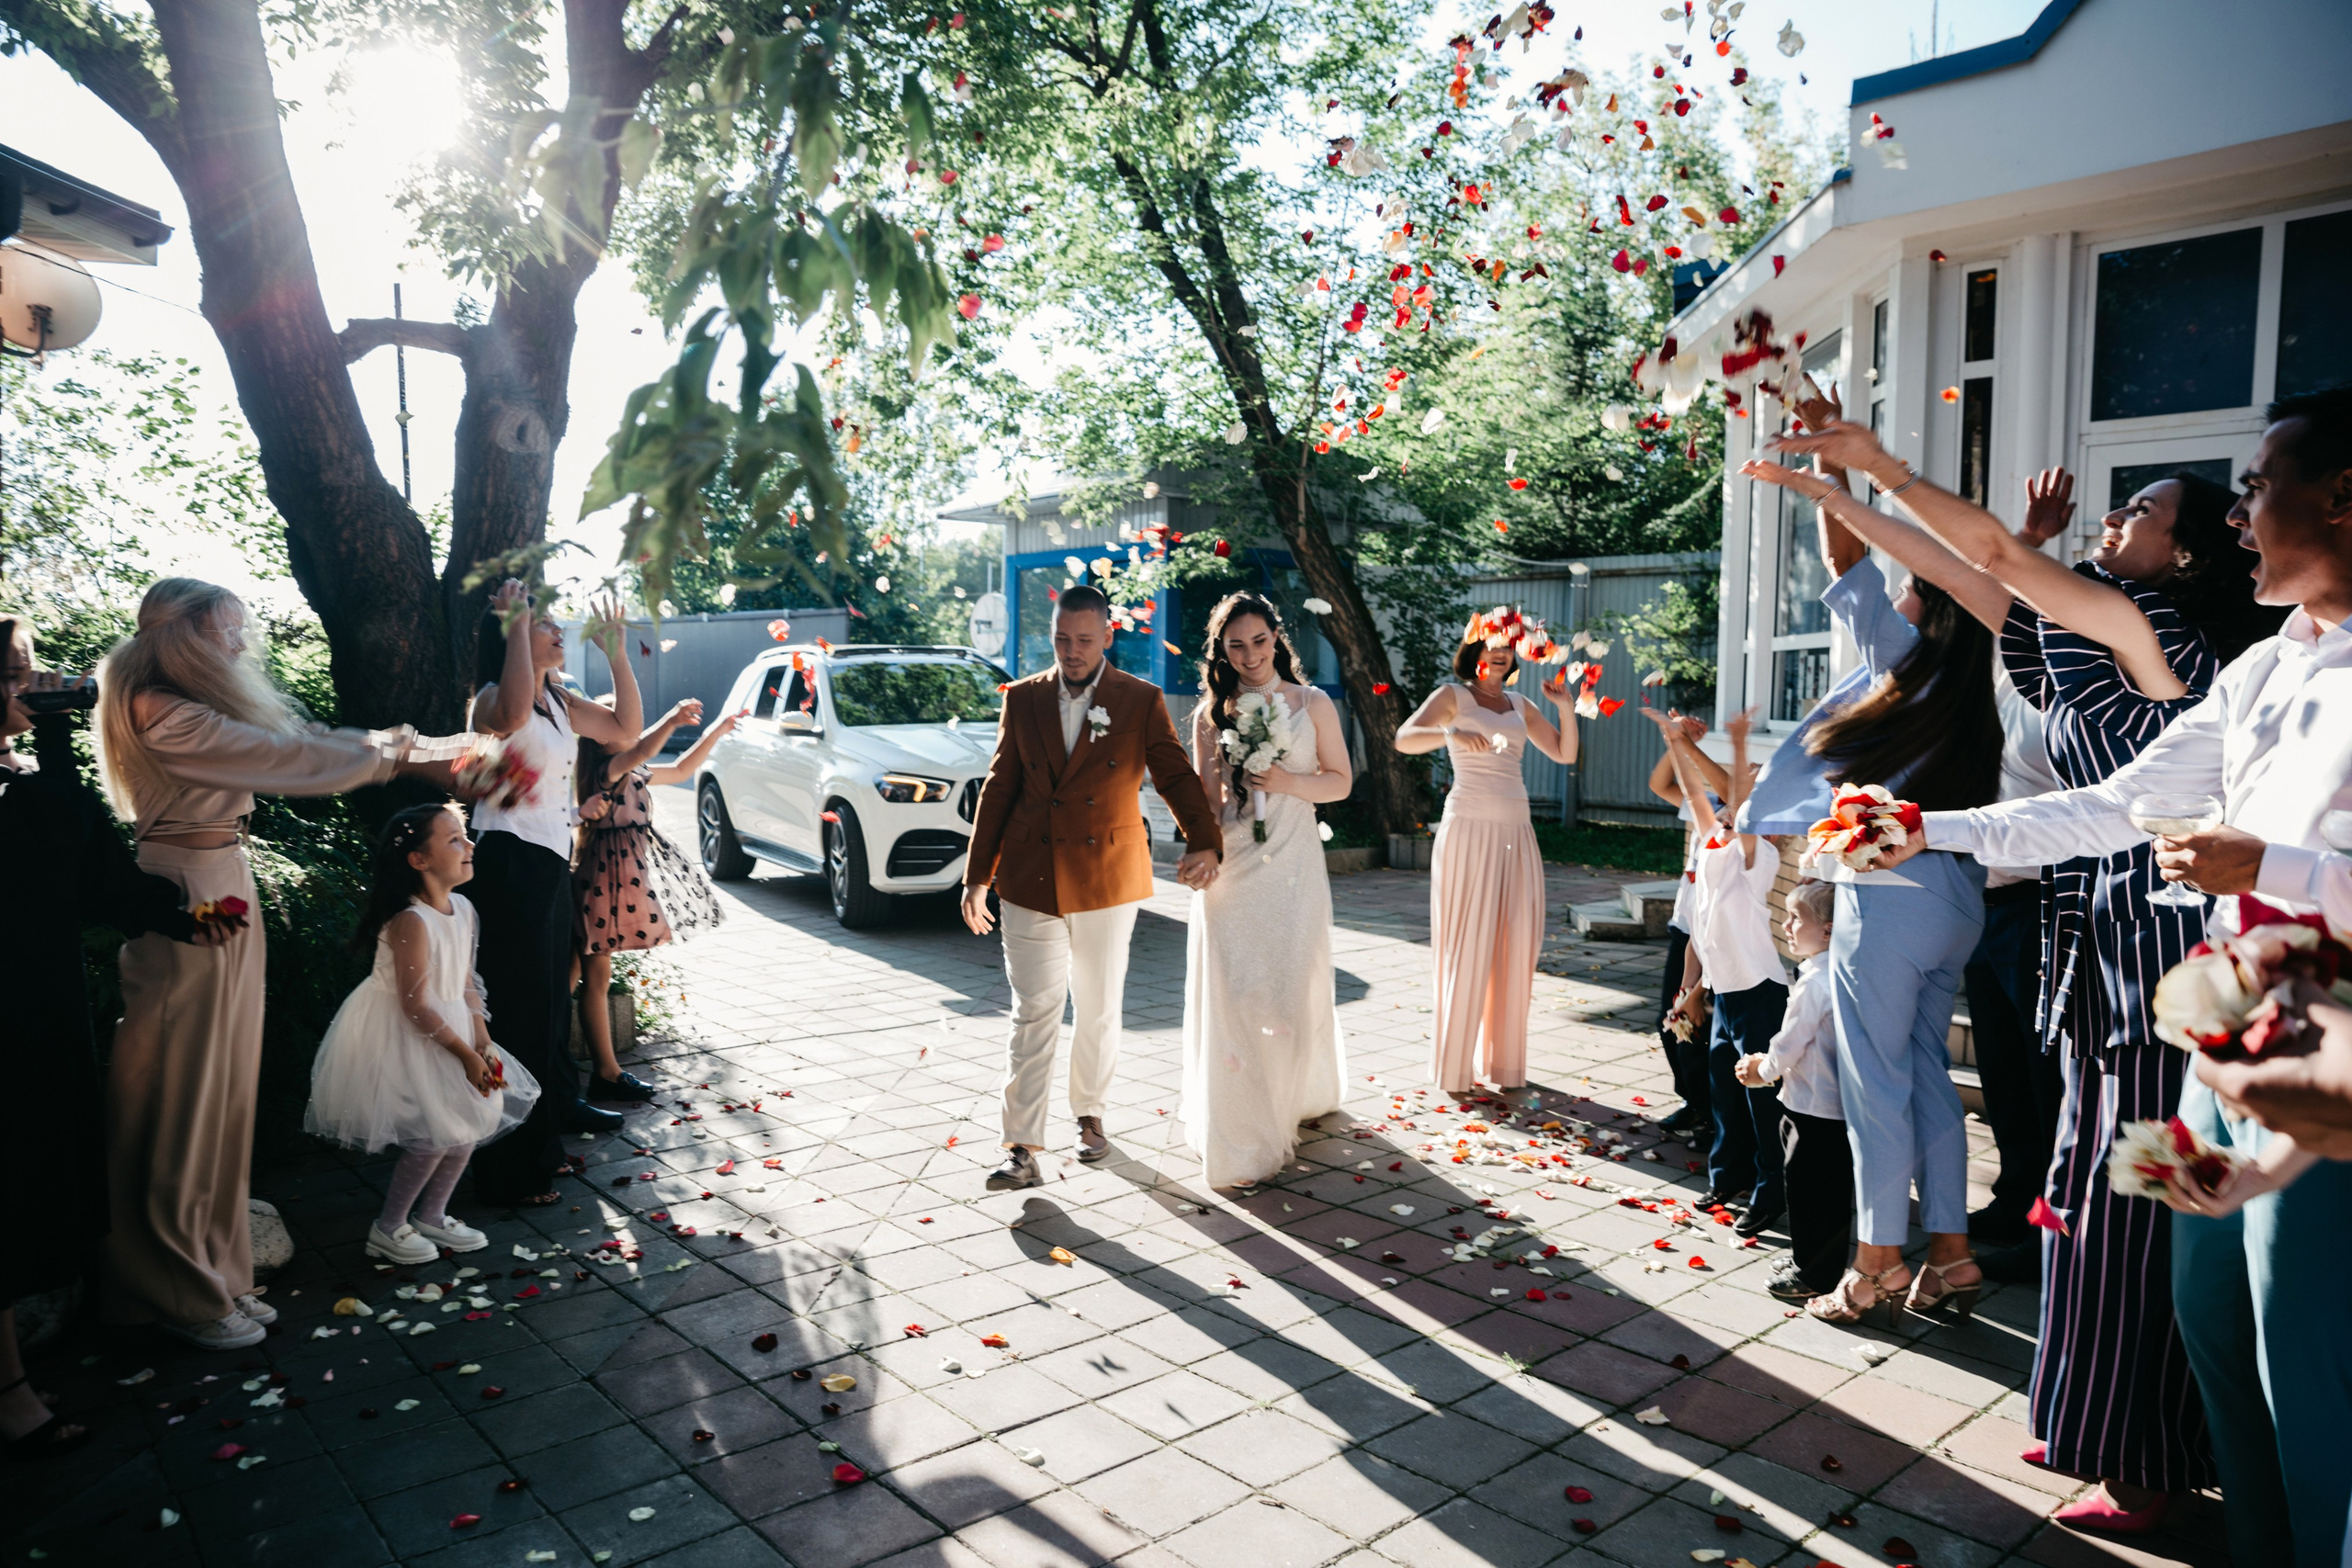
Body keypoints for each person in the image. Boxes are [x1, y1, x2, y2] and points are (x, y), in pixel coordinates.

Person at [1758, 408, 2282, 1523]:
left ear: (2180, 558)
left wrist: (1876, 467)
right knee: (2094, 1205)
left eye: (2141, 510)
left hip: (2166, 974)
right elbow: (1969, 574)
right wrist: (1839, 504)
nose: (2116, 514)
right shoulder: (2088, 638)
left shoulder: (2166, 644)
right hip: (2097, 957)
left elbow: (1993, 559)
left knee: (2138, 1218)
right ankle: (2134, 1454)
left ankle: (2164, 1464)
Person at [1874, 383, 2352, 1553]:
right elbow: (2110, 808)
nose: (2241, 517)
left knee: (2305, 1342)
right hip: (2214, 1028)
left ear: (2343, 498)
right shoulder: (2258, 671)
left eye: (2256, 488)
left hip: (2324, 1042)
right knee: (2206, 1317)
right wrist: (1925, 828)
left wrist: (2272, 860)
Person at [95, 578, 452, 1350]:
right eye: (227, 631)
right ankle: (178, 1288)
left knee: (222, 1094)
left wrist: (404, 748)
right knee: (188, 1095)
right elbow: (288, 756)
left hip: (219, 879)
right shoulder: (166, 712)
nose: (238, 646)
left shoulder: (186, 708)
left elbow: (298, 742)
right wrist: (406, 750)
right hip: (189, 895)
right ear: (185, 635)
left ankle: (216, 1274)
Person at [0, 622, 230, 1456]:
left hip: (38, 1005)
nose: (37, 681)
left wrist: (183, 919)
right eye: (19, 673)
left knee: (30, 1172)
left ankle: (15, 1375)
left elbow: (87, 868)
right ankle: (11, 1391)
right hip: (8, 1008)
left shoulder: (25, 775)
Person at [962, 584, 1226, 1190]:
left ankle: (1090, 1117)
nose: (1072, 651)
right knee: (1034, 1010)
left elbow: (1174, 774)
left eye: (1084, 639)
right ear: (1050, 634)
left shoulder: (1139, 699)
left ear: (1108, 636)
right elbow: (999, 786)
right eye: (1061, 638)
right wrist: (978, 876)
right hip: (1029, 876)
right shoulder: (1023, 698)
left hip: (1107, 876)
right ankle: (1022, 1146)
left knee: (1099, 1005)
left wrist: (1203, 838)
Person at [463, 582, 642, 1208]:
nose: (557, 630)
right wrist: (514, 620)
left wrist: (616, 651)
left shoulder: (561, 703)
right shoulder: (490, 698)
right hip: (506, 862)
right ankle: (507, 1172)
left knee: (545, 1014)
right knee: (516, 1015)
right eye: (543, 624)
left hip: (545, 861)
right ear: (512, 633)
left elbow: (625, 728)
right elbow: (511, 715)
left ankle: (539, 1148)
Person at [306, 804, 542, 1263]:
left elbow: (466, 982)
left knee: (470, 1123)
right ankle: (389, 1226)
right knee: (435, 1133)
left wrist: (482, 1041)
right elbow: (414, 1004)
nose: (469, 845)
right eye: (454, 839)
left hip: (456, 1028)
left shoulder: (465, 909)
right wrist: (464, 1054)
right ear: (419, 859)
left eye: (465, 835)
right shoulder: (411, 920)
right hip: (412, 1033)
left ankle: (432, 1215)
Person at [1178, 593, 1351, 1188]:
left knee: (1284, 989)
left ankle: (1294, 1091)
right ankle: (1243, 1137)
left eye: (1259, 640)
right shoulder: (1211, 714)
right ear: (1221, 651)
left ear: (1277, 636)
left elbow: (1342, 782)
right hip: (1235, 867)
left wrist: (1286, 780)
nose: (1250, 654)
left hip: (1295, 865)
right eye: (1236, 644)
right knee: (1237, 993)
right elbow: (1207, 800)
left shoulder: (1313, 702)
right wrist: (1198, 844)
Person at [1394, 610, 1579, 1096]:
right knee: (1468, 942)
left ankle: (1505, 1065)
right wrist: (1449, 732)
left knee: (1515, 943)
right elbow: (1404, 738)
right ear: (1474, 649)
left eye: (1507, 644)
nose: (1500, 650)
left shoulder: (1520, 703)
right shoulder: (1452, 697)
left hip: (1516, 829)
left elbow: (1564, 754)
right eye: (1490, 641)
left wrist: (1563, 707)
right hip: (1468, 828)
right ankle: (1455, 1067)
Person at [1654, 706, 1786, 1237]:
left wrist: (1736, 744)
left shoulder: (1760, 858)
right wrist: (1689, 991)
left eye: (1742, 800)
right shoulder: (1712, 853)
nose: (1728, 808)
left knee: (1762, 1105)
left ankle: (1771, 1190)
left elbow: (1745, 806)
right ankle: (1725, 1177)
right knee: (1725, 1097)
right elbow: (1699, 935)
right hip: (1724, 996)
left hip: (1759, 995)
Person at [573, 700, 735, 1101]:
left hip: (620, 882)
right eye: (619, 721)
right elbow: (644, 749)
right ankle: (602, 1072)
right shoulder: (607, 771)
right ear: (600, 737)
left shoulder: (631, 771)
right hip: (602, 882)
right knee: (590, 979)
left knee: (580, 977)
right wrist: (673, 718)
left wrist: (714, 731)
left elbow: (681, 769)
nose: (631, 726)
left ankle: (583, 1069)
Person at [1737, 880, 1849, 1302]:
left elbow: (1789, 1043)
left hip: (1813, 1105)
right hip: (1824, 1102)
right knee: (1818, 1190)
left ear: (1827, 930)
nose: (1784, 925)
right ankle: (1808, 1257)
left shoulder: (1815, 983)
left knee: (1811, 1191)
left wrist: (1760, 1070)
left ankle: (1816, 1274)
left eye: (1795, 918)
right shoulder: (1833, 970)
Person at [1645, 712, 1725, 1137]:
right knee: (1671, 1018)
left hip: (1714, 938)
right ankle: (1693, 1101)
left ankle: (1712, 1114)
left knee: (1699, 1025)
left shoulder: (1743, 826)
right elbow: (1661, 786)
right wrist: (1672, 741)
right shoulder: (1707, 807)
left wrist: (1688, 745)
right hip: (1684, 929)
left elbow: (1726, 787)